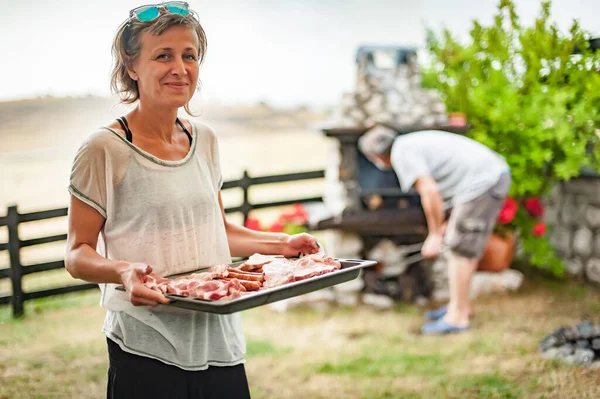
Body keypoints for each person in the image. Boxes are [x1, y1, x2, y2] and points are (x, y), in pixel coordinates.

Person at [64, 3, 320, 398]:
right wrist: (123, 272)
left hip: (218, 340)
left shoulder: (206, 140)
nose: (179, 68)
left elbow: (217, 230)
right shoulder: (104, 148)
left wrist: (283, 245)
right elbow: (77, 254)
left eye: (190, 55)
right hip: (146, 344)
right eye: (162, 55)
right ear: (131, 66)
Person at [358, 125, 511, 335]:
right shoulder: (409, 142)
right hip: (487, 176)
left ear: (377, 157)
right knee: (462, 244)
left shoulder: (402, 153)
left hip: (484, 180)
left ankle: (457, 318)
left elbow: (429, 191)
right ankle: (459, 307)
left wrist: (435, 234)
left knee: (460, 248)